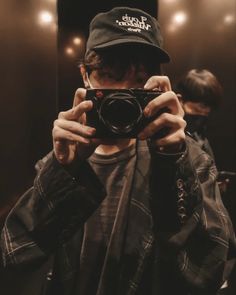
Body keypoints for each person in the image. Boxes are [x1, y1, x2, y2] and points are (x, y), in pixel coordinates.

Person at [1, 7, 236, 295]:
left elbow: (203, 277)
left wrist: (174, 164)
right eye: (110, 75)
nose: (124, 92)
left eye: (139, 81)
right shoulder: (60, 162)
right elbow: (14, 256)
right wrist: (61, 174)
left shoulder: (192, 161)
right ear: (84, 76)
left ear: (158, 84)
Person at [175, 69, 223, 160]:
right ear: (180, 100)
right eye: (198, 108)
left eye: (207, 112)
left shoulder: (201, 137)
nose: (203, 115)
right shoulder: (167, 132)